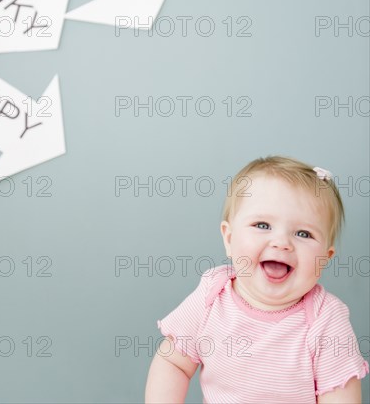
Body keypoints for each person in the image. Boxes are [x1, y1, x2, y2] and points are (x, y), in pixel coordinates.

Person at [145, 156, 369, 403]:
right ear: (229, 239)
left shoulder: (325, 320)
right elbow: (172, 362)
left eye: (303, 233)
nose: (281, 242)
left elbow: (341, 396)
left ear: (325, 258)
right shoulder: (211, 297)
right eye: (262, 225)